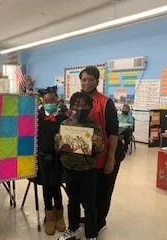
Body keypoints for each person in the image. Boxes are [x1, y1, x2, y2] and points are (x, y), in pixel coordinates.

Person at [78, 66, 124, 233]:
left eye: (91, 79)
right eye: (84, 79)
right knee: (88, 190)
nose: (87, 82)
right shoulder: (78, 102)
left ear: (97, 81)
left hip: (108, 153)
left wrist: (110, 158)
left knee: (103, 192)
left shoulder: (105, 102)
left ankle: (99, 221)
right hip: (87, 156)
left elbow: (113, 131)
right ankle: (91, 217)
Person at [56, 92, 103, 240]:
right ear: (71, 106)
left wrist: (99, 144)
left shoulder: (94, 126)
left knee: (89, 205)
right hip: (69, 169)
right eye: (76, 104)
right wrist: (58, 144)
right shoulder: (65, 124)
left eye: (84, 105)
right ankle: (72, 229)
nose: (80, 108)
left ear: (90, 107)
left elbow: (100, 151)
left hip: (88, 170)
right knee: (72, 202)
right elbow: (58, 148)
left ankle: (91, 235)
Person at [37, 87, 68, 236]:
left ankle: (59, 215)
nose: (50, 103)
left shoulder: (63, 118)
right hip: (42, 159)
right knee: (46, 187)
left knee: (56, 186)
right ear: (43, 102)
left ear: (57, 101)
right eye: (47, 101)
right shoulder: (37, 118)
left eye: (52, 101)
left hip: (58, 159)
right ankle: (49, 216)